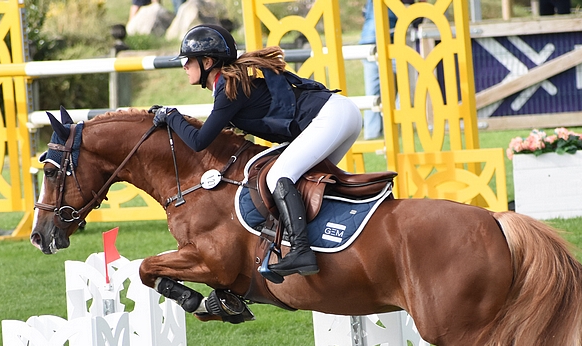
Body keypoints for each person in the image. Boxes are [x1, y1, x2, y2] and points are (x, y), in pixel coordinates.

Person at [151, 24, 363, 278]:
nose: (184, 66)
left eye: (187, 60)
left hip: (330, 117)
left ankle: (301, 250)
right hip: (338, 115)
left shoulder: (229, 87)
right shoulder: (229, 86)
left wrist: (170, 115)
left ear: (207, 61)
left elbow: (199, 142)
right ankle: (336, 244)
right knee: (305, 182)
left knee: (278, 176)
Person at [359, 0, 397, 140]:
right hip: (387, 38)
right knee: (397, 91)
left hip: (367, 38)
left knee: (373, 93)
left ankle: (372, 133)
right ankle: (394, 130)